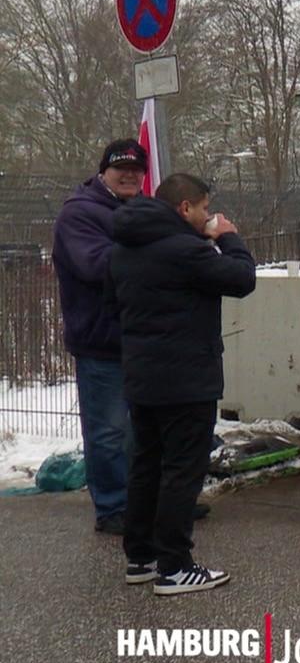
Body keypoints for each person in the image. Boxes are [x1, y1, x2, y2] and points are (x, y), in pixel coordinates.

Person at [109, 173, 256, 595]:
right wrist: (228, 237)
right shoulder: (186, 250)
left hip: (142, 375)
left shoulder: (123, 248)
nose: (209, 215)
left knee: (146, 465)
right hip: (187, 378)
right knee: (182, 470)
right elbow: (242, 279)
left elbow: (110, 304)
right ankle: (175, 566)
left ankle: (141, 557)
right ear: (185, 208)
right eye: (205, 208)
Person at [52, 139, 145, 535]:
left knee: (147, 429)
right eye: (121, 169)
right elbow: (95, 265)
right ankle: (112, 507)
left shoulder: (144, 211)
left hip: (145, 340)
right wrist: (157, 252)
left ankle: (150, 504)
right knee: (108, 432)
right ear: (103, 171)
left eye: (136, 170)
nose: (129, 176)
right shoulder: (79, 214)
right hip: (101, 342)